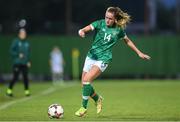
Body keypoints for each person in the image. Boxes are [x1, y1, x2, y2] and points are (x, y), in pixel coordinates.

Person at [75, 6, 151, 117]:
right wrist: (81, 31)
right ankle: (98, 99)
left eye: (110, 18)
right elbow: (87, 28)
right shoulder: (99, 23)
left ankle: (83, 108)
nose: (107, 20)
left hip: (103, 59)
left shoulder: (118, 30)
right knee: (84, 84)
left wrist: (139, 53)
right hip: (91, 56)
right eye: (106, 17)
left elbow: (127, 41)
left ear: (115, 19)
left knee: (86, 80)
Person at [6, 28, 31, 97]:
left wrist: (28, 61)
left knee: (25, 77)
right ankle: (9, 91)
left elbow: (28, 53)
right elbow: (11, 51)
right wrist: (18, 54)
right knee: (15, 77)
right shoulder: (16, 41)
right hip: (17, 63)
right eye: (22, 33)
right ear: (19, 34)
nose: (24, 35)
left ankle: (27, 92)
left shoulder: (27, 43)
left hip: (24, 63)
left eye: (24, 33)